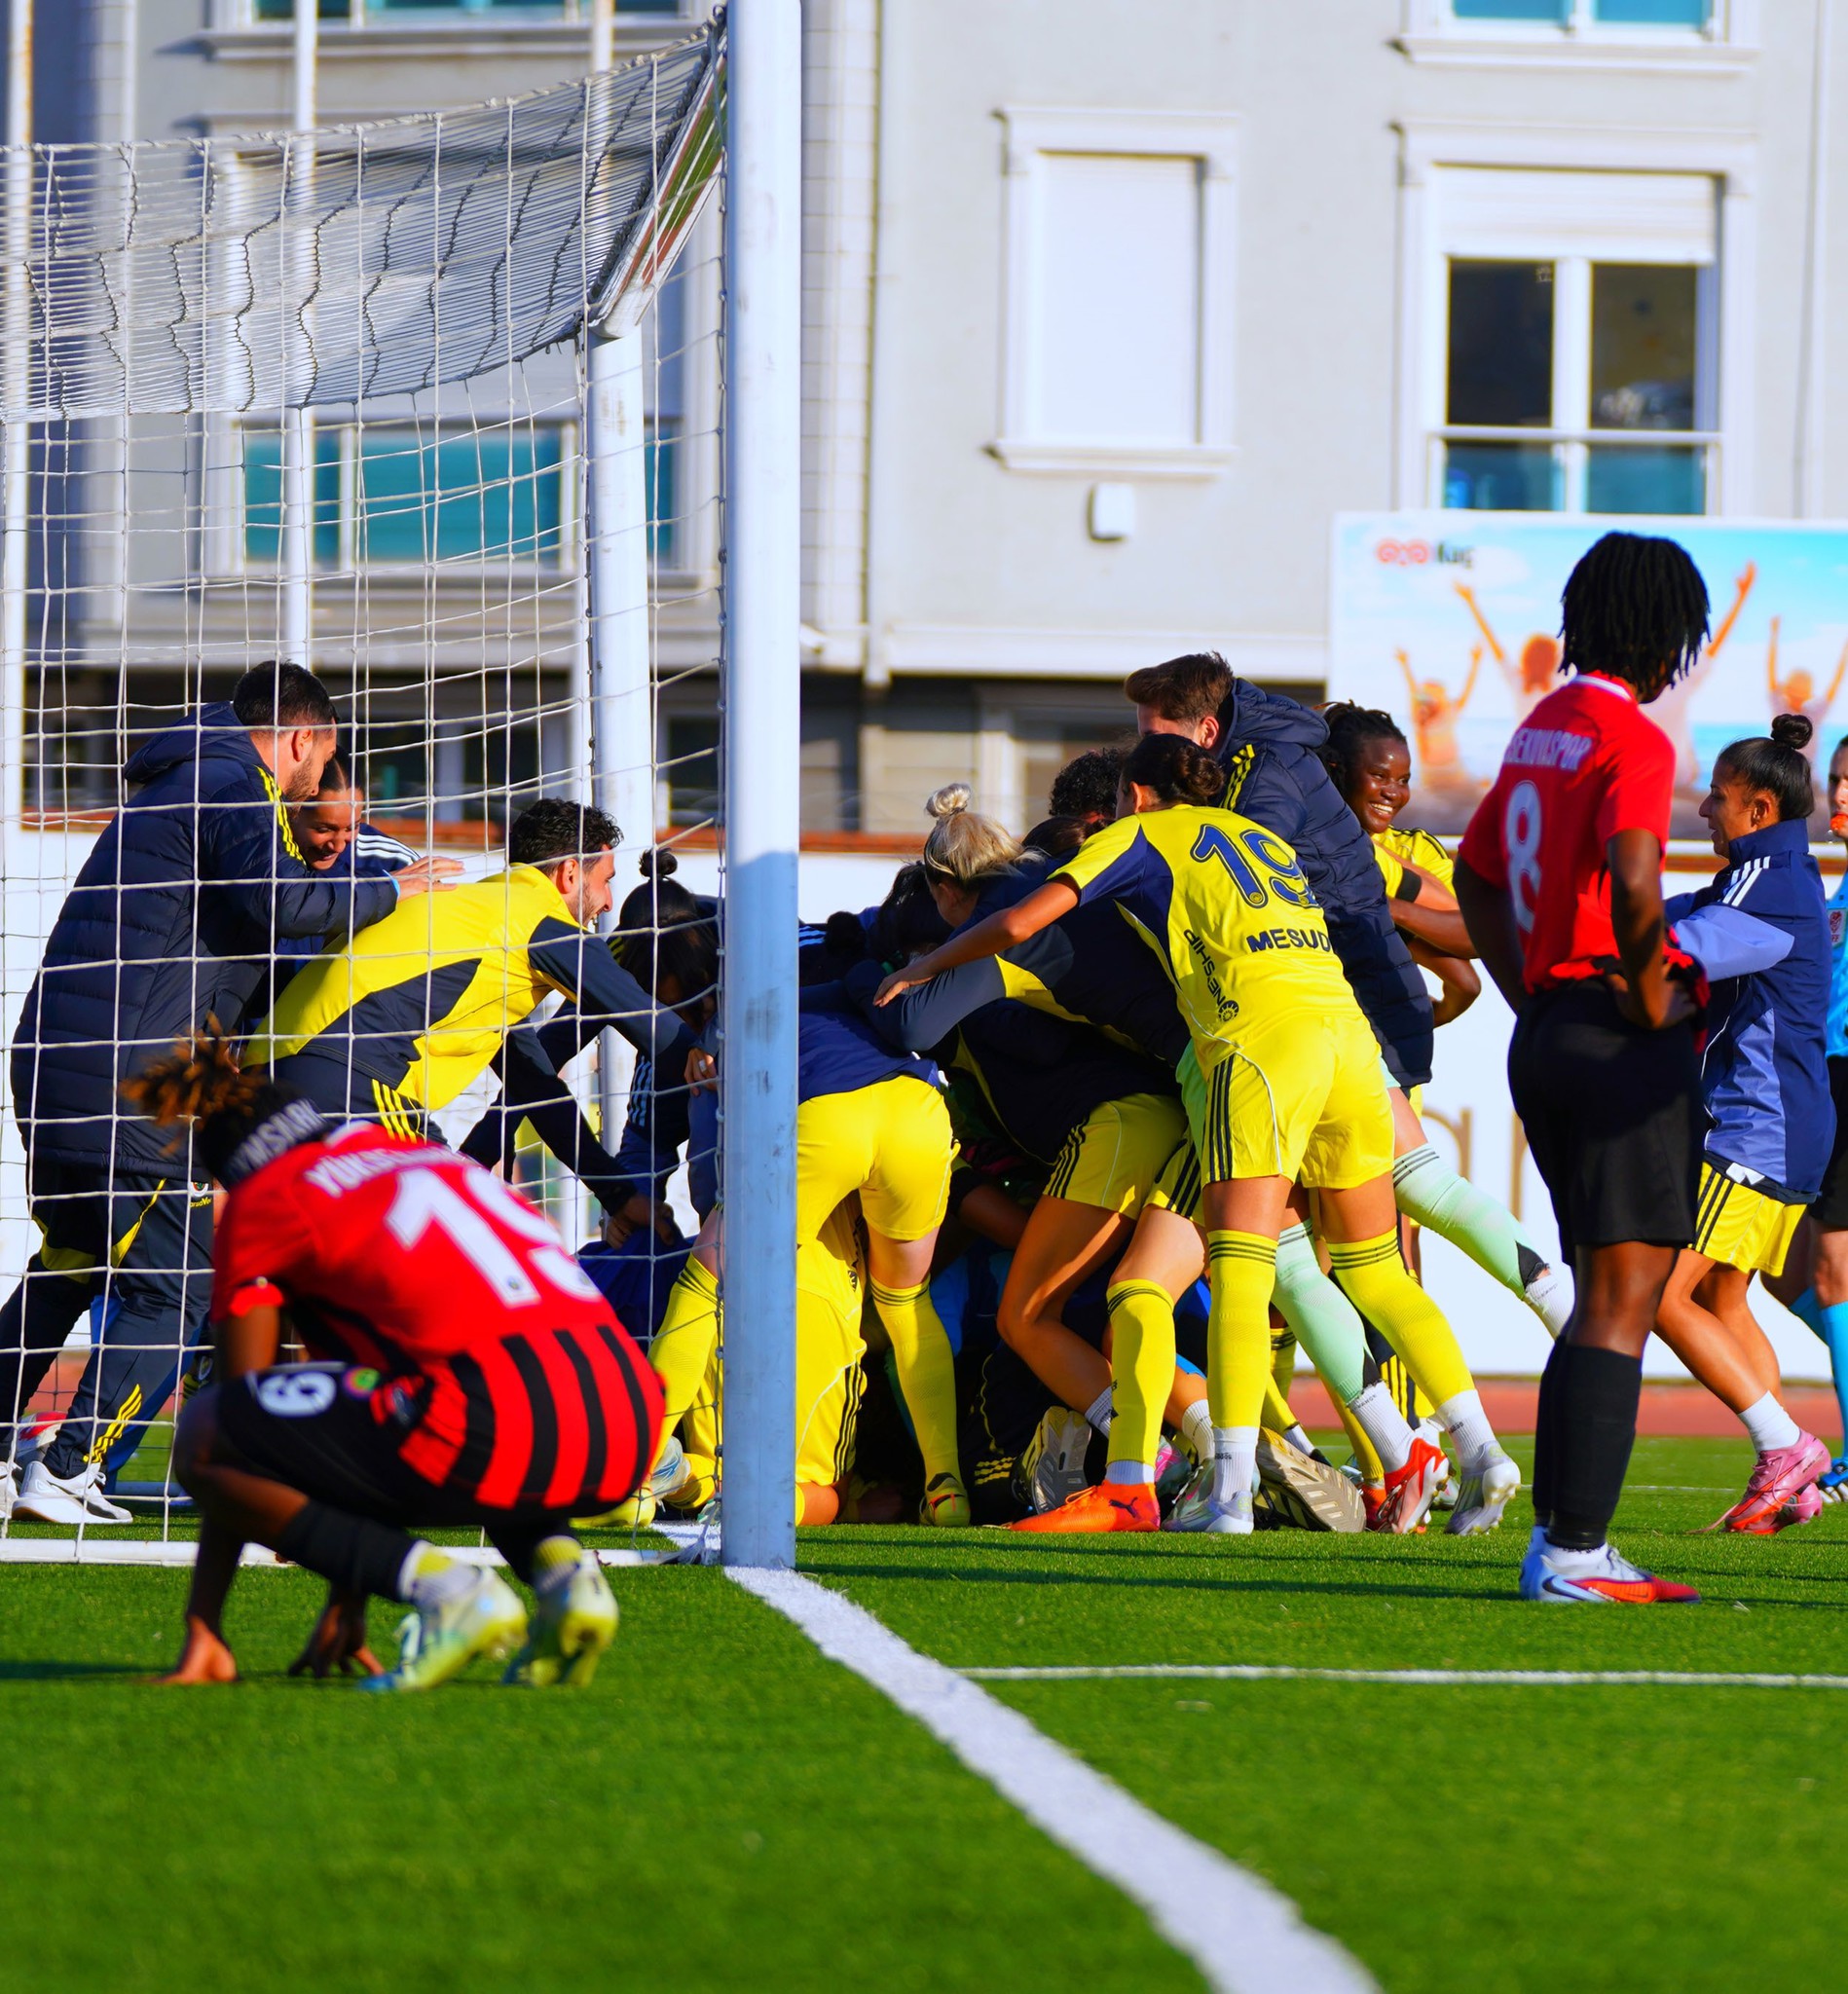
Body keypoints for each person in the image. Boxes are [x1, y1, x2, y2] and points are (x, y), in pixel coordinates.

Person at [879, 730, 1520, 1537]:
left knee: (1182, 1287)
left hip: (1234, 1070)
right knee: (1363, 1259)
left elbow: (965, 978)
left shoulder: (1124, 853)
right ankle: (1444, 1449)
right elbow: (1431, 936)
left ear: (1129, 803)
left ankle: (1200, 1483)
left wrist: (914, 964)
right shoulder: (1259, 836)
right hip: (1346, 1043)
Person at [1, 663, 457, 1528]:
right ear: (300, 740)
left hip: (67, 1062)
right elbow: (280, 903)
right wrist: (396, 892)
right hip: (126, 1079)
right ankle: (68, 1466)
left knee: (71, 1265)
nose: (322, 806)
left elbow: (238, 953)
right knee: (182, 1284)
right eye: (318, 777)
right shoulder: (230, 781)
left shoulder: (179, 779)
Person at [128, 1033, 659, 1691]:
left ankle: (453, 1592)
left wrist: (204, 1623)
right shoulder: (420, 1157)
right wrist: (347, 1598)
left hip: (497, 1412)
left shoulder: (269, 1199)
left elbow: (242, 1422)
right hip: (628, 1415)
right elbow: (356, 1435)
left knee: (209, 1429)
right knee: (460, 1399)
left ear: (230, 1172)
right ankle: (565, 1580)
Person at [1455, 528, 1708, 1606]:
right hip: (1608, 1031)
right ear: (1663, 633)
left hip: (1547, 1028)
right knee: (1624, 1290)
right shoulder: (1629, 736)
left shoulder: (1540, 724)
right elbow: (1637, 879)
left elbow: (1471, 878)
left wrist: (1531, 994)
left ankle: (1562, 1541)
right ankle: (1570, 1555)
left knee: (1602, 1286)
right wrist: (1652, 997)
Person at [1319, 701, 1571, 1339]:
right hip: (1347, 1052)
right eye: (1381, 777)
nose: (1395, 792)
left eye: (1402, 779)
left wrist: (1388, 921)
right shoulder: (1335, 843)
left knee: (1375, 1236)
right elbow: (1459, 983)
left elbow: (1467, 949)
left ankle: (1413, 1420)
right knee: (1317, 1252)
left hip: (1363, 1058)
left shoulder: (1391, 854)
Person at [243, 799, 693, 1140]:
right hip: (345, 1080)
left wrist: (614, 1191)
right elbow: (649, 1021)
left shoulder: (481, 923)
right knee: (457, 1231)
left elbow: (534, 1085)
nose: (609, 902)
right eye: (606, 881)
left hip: (263, 1082)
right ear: (570, 874)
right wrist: (718, 1066)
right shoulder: (538, 923)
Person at [1652, 717, 1833, 1531]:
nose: (1703, 812)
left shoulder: (1773, 886)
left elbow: (1670, 950)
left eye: (1717, 800)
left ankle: (1786, 1447)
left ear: (1759, 810)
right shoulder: (1771, 874)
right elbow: (1667, 912)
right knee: (1723, 1297)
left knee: (1658, 1291)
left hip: (1757, 1127)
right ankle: (1794, 1469)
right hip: (1778, 1123)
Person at [1769, 731, 1848, 1494]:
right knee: (1779, 1269)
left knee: (1830, 1271)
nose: (1842, 791)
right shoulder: (1834, 889)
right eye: (1836, 777)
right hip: (1821, 1086)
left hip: (1844, 1083)